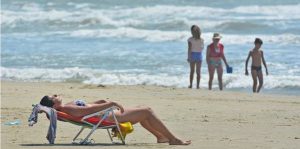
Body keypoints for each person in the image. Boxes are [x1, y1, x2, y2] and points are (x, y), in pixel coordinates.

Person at [39, 95, 191, 145]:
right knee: (147, 111)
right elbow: (89, 110)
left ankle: (160, 137)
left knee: (143, 110)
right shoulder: (68, 109)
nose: (57, 94)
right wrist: (111, 104)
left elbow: (90, 106)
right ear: (54, 104)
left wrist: (100, 101)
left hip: (103, 114)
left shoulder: (66, 107)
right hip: (109, 116)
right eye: (54, 96)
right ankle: (173, 139)